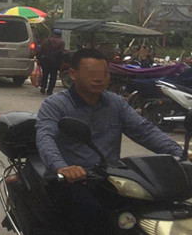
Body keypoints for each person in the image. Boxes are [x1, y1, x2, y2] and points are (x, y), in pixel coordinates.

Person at [36, 48, 184, 235]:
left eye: (104, 73)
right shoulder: (55, 105)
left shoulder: (116, 103)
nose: (99, 79)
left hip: (110, 179)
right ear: (73, 74)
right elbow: (45, 137)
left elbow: (144, 130)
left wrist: (179, 153)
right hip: (72, 181)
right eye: (91, 73)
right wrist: (62, 167)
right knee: (92, 216)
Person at [38, 29, 65, 95]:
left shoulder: (46, 41)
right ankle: (50, 90)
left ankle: (43, 87)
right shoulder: (61, 42)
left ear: (53, 34)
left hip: (45, 61)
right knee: (53, 77)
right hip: (55, 62)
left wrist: (39, 59)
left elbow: (41, 50)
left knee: (45, 75)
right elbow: (61, 53)